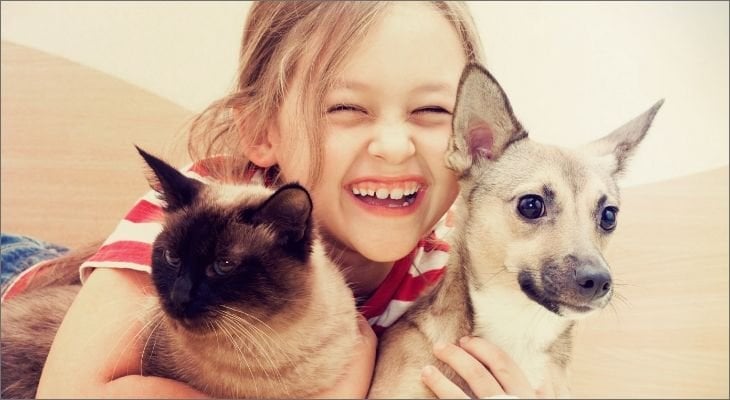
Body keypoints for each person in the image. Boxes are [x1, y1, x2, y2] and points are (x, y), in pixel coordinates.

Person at [6, 2, 566, 398]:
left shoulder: (447, 280)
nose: (395, 147)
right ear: (260, 132)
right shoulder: (204, 214)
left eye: (432, 112)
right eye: (346, 108)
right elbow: (69, 390)